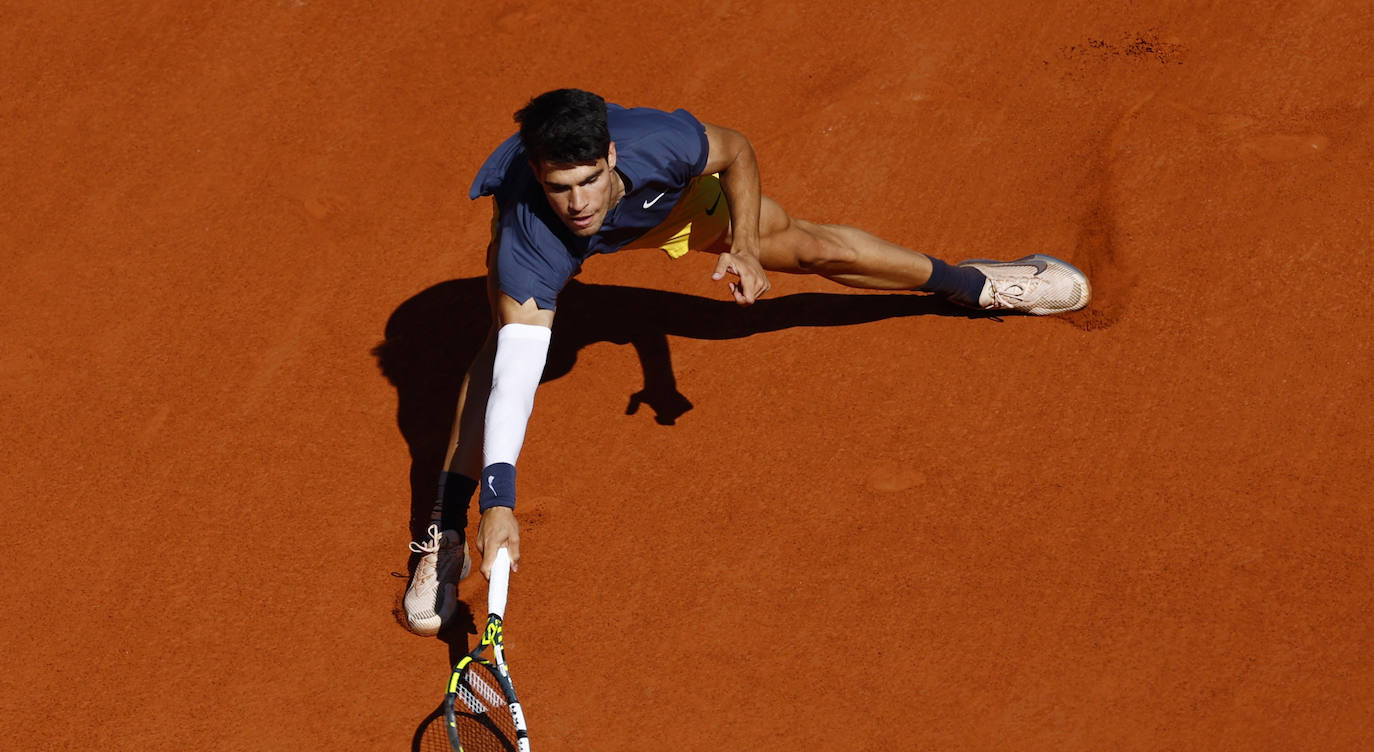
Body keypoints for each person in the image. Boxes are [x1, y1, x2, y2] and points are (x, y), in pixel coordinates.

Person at [403, 88, 1089, 635]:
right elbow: (517, 387)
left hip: (664, 212)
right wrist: (501, 501)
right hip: (548, 259)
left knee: (819, 250)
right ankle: (446, 527)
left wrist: (752, 249)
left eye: (587, 180)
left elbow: (738, 153)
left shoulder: (662, 146)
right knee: (503, 360)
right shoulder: (534, 235)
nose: (577, 202)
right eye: (560, 187)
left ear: (611, 154)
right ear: (535, 174)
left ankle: (979, 283)